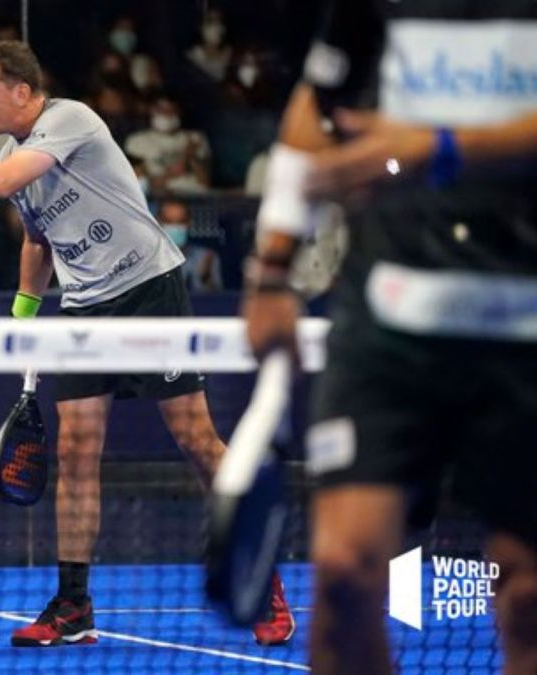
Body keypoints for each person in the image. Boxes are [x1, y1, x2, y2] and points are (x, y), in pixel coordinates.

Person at [0, 39, 294, 648]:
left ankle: (264, 580)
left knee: (197, 441)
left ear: (23, 91)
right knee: (75, 452)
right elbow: (36, 238)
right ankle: (73, 606)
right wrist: (24, 314)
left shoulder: (69, 119)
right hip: (84, 308)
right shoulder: (10, 150)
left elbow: (1, 184)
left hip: (149, 291)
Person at [242, 3, 537, 674]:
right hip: (385, 319)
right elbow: (317, 105)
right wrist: (273, 268)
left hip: (524, 327)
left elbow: (417, 146)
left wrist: (440, 147)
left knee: (526, 594)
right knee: (344, 572)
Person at [159, 200, 222, 292]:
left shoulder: (206, 256)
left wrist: (205, 278)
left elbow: (219, 298)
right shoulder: (149, 262)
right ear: (159, 223)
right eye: (169, 222)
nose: (174, 227)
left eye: (180, 222)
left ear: (189, 223)